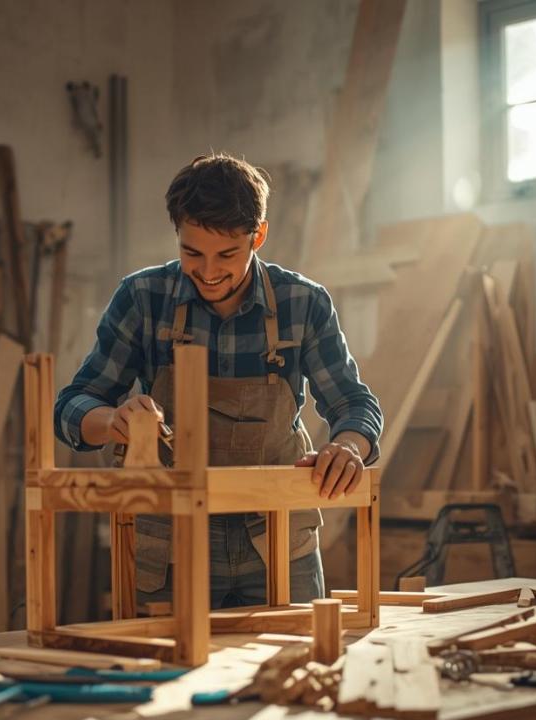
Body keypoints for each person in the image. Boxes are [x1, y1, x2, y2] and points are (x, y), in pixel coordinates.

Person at [53, 153, 383, 608]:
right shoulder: (143, 298)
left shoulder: (302, 303)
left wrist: (348, 448)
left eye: (227, 255)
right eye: (192, 253)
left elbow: (354, 405)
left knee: (295, 668)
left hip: (277, 539)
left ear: (258, 236)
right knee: (166, 674)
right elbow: (71, 407)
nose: (208, 273)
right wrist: (114, 420)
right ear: (177, 237)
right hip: (172, 543)